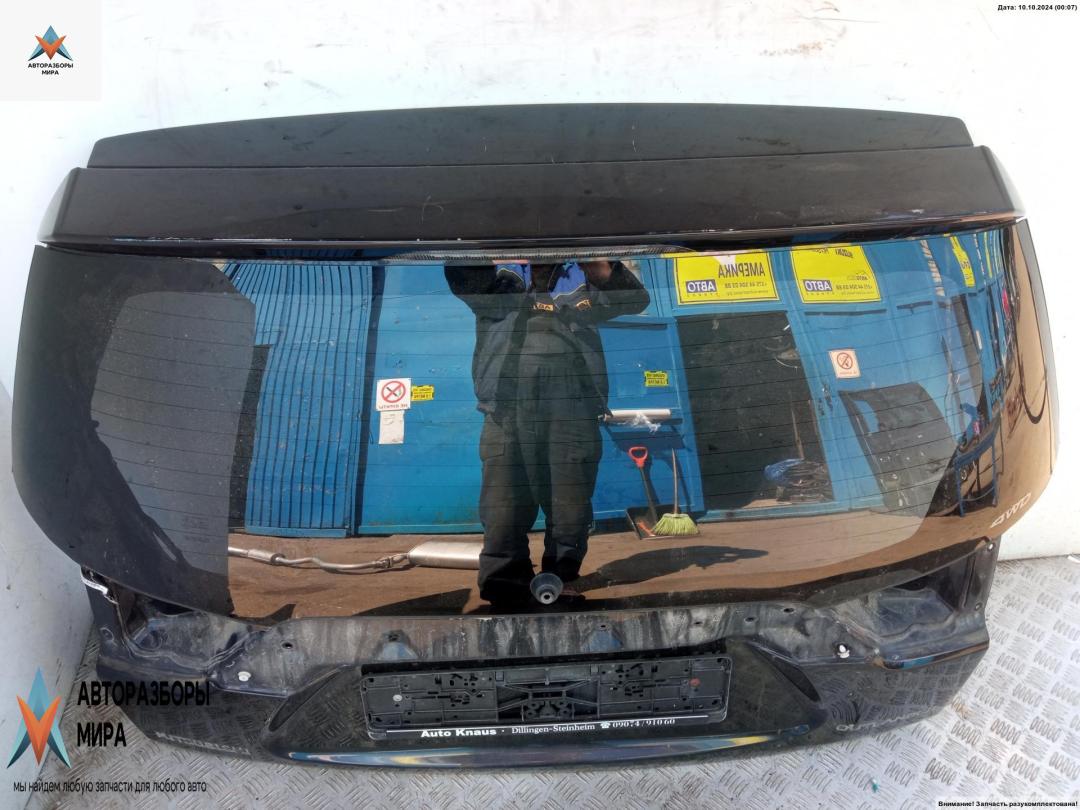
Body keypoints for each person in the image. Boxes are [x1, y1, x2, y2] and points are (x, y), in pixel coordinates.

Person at [446, 259, 650, 606]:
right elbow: (461, 275)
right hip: (506, 406)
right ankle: (505, 585)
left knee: (570, 502)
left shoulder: (583, 274)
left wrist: (597, 263)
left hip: (574, 405)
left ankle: (561, 577)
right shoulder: (498, 274)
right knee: (503, 502)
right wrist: (496, 250)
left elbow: (635, 300)